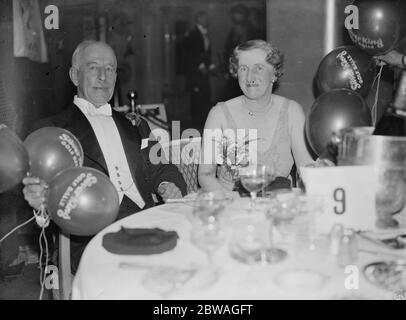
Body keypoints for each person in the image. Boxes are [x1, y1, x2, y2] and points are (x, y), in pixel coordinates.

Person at [22, 40, 187, 274]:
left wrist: (166, 184)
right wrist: (39, 202)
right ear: (74, 76)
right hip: (92, 238)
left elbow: (164, 169)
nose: (103, 76)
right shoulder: (53, 132)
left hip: (147, 224)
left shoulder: (136, 124)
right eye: (93, 67)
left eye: (110, 69)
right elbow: (44, 201)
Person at [198, 40, 316, 193]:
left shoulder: (292, 112)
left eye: (258, 68)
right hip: (232, 207)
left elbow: (305, 166)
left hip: (276, 207)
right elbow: (205, 174)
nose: (249, 77)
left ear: (274, 73)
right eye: (243, 68)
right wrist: (226, 200)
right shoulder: (219, 114)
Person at [184, 11, 215, 131]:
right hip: (195, 73)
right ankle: (195, 125)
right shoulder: (192, 34)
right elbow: (190, 53)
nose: (206, 20)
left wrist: (210, 65)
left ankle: (203, 123)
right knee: (197, 98)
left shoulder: (205, 33)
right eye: (204, 18)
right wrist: (200, 65)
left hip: (203, 73)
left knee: (205, 96)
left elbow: (206, 52)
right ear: (198, 19)